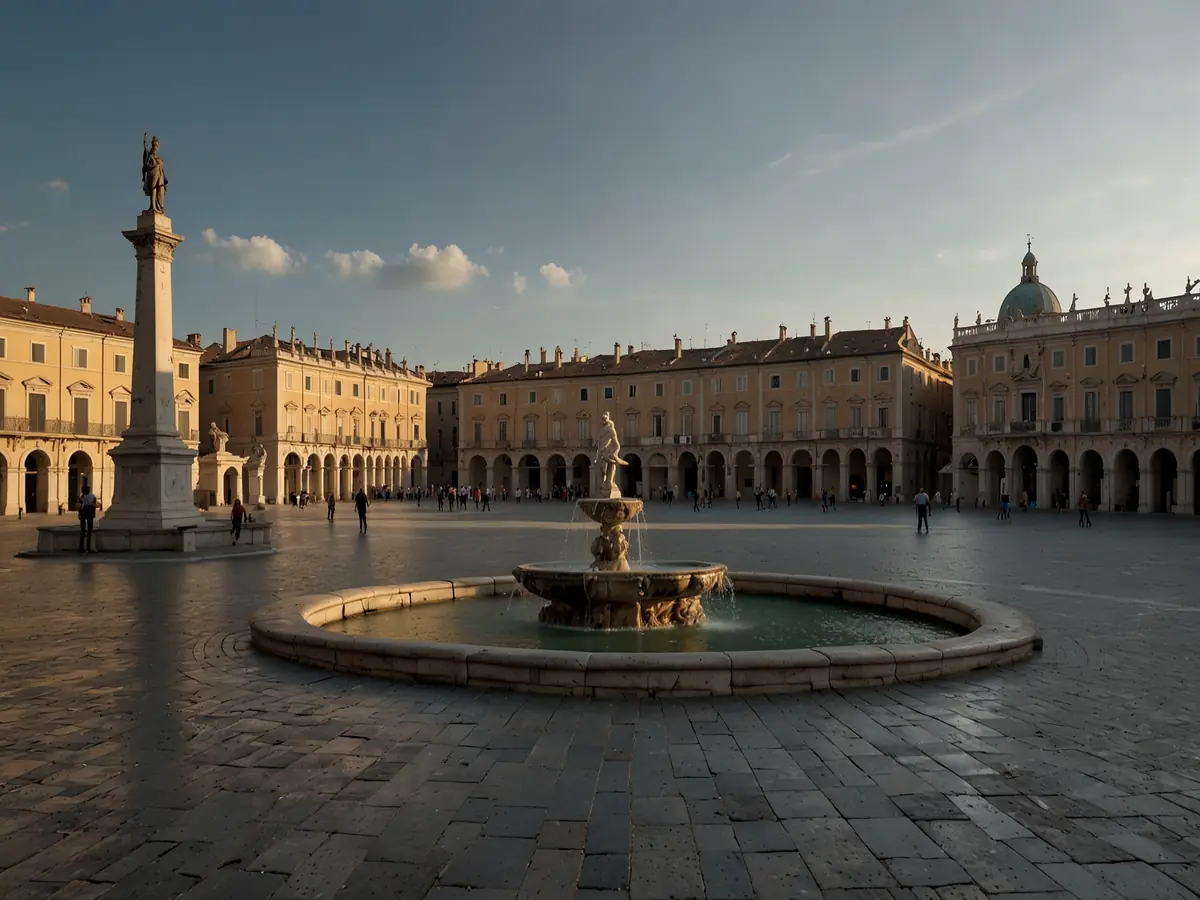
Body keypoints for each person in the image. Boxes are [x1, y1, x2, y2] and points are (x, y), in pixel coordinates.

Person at [78, 481, 97, 553]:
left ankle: (82, 547)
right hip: (89, 512)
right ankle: (87, 547)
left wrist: (79, 514)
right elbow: (95, 505)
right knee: (88, 531)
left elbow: (79, 507)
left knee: (84, 531)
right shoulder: (92, 496)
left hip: (85, 512)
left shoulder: (82, 496)